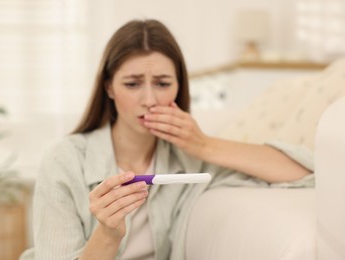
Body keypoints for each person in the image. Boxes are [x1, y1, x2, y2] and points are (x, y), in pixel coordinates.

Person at [20, 19, 313, 260]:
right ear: (109, 87)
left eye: (162, 84)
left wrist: (204, 145)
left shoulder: (191, 162)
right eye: (132, 84)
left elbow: (306, 173)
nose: (149, 99)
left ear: (179, 87)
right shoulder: (64, 160)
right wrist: (108, 234)